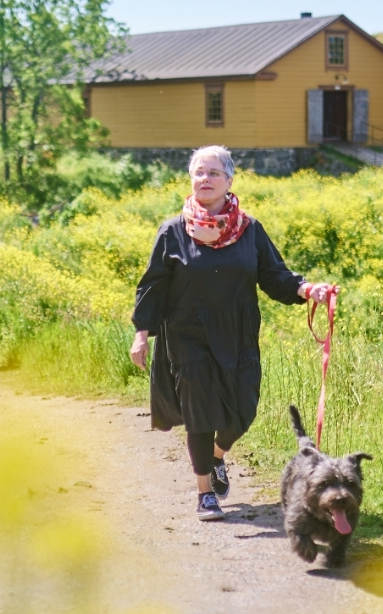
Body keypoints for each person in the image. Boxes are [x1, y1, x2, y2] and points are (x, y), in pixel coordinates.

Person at [130, 145, 336, 522]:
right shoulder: (173, 231)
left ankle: (217, 457)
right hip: (186, 333)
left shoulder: (249, 229)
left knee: (244, 409)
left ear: (229, 180)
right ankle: (205, 493)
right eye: (198, 173)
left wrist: (308, 290)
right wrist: (141, 334)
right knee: (199, 411)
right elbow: (152, 286)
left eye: (213, 173)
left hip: (238, 332)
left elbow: (274, 276)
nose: (204, 179)